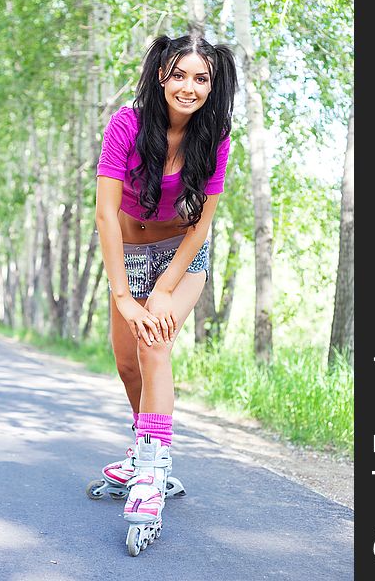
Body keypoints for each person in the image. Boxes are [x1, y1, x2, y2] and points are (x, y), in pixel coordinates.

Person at [94, 33, 237, 550]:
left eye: (202, 78)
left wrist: (163, 289)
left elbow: (202, 225)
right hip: (129, 255)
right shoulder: (126, 126)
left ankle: (151, 472)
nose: (190, 87)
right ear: (161, 75)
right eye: (180, 75)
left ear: (212, 86)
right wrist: (125, 295)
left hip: (182, 254)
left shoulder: (215, 135)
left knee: (155, 343)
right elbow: (107, 214)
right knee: (128, 364)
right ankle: (144, 444)